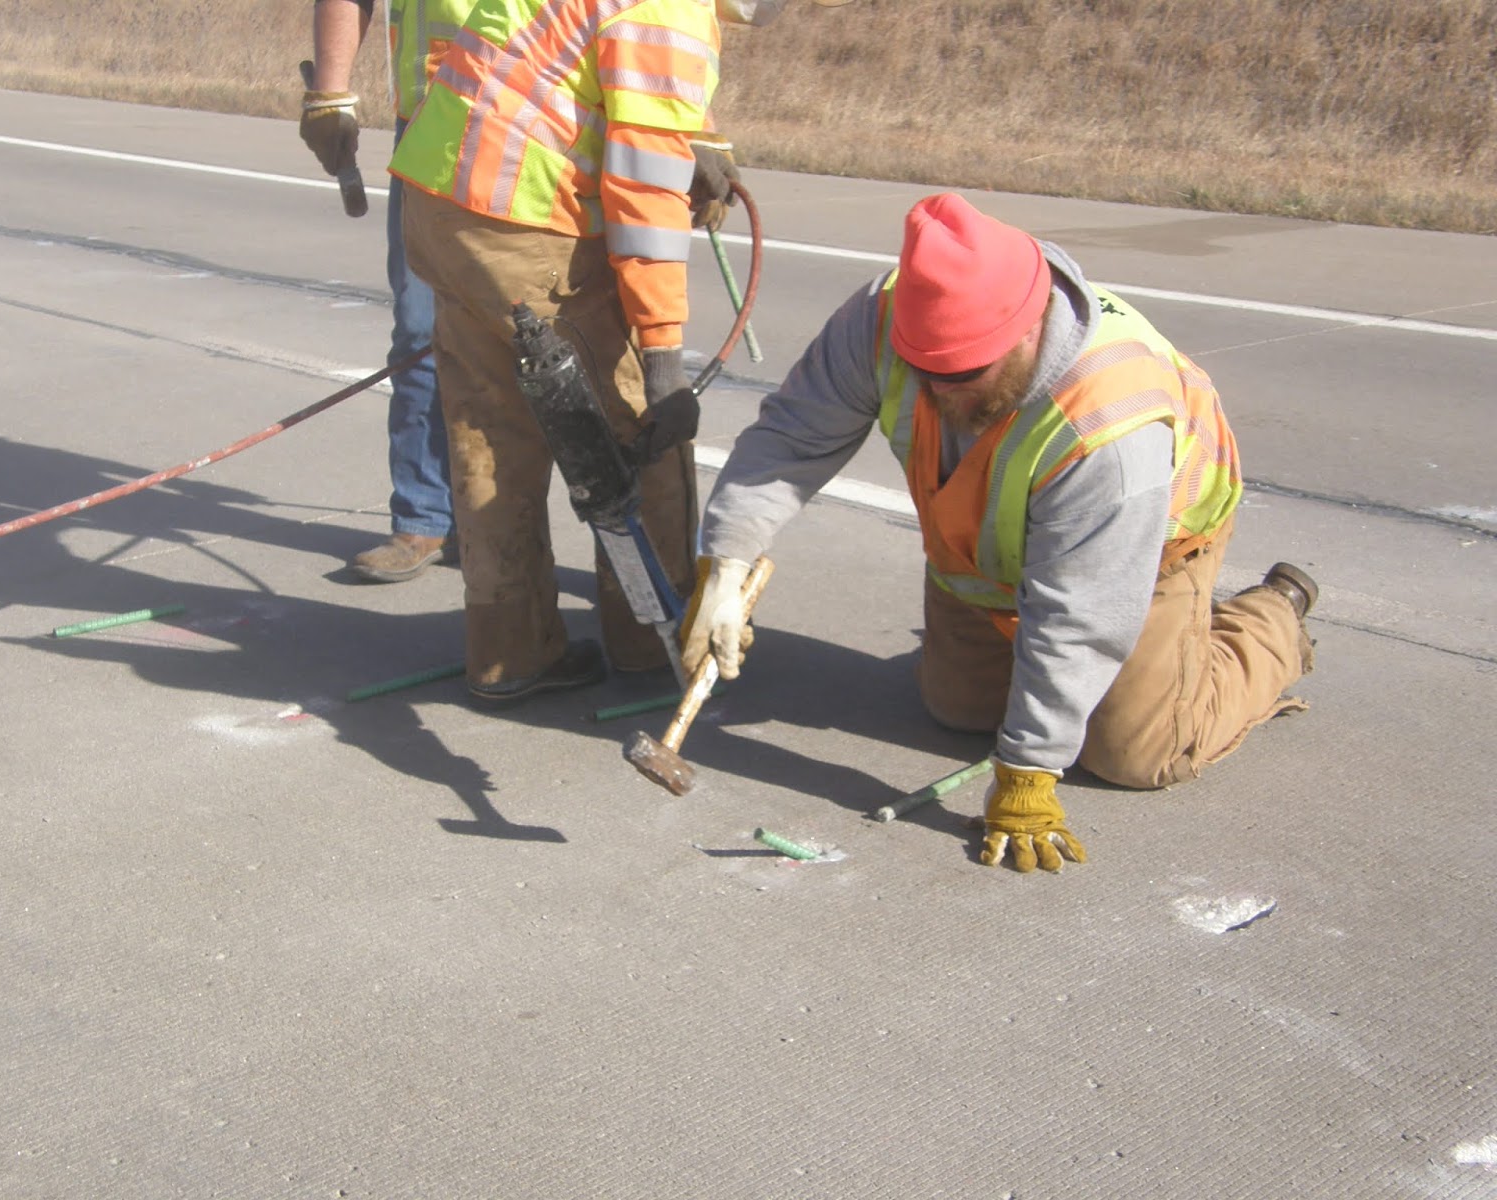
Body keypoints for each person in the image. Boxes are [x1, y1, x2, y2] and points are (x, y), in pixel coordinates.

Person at [681, 193, 1318, 873]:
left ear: (1028, 329)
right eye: (928, 372)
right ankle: (1079, 671)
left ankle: (1270, 617)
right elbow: (791, 436)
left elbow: (1081, 613)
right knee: (955, 713)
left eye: (966, 374)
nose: (945, 393)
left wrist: (1028, 772)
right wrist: (725, 562)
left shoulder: (1109, 421)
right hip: (985, 544)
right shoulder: (883, 319)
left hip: (1146, 551)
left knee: (1133, 753)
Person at [388, 0, 843, 703]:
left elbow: (577, 77)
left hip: (444, 200)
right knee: (638, 434)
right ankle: (656, 644)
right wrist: (662, 359)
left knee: (491, 430)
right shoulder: (671, 9)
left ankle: (509, 652)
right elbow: (643, 197)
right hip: (526, 224)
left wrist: (695, 136)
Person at [300, 0, 462, 583]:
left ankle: (512, 527)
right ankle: (426, 518)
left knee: (546, 342)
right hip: (430, 120)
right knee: (422, 328)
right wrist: (328, 92)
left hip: (549, 121)